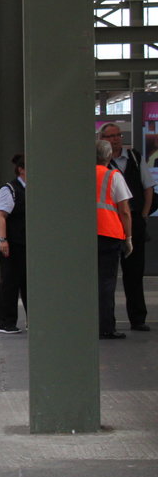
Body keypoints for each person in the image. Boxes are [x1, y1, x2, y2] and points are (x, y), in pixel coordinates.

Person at [99, 123, 152, 331]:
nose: (115, 139)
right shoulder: (100, 164)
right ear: (102, 138)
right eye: (110, 136)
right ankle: (106, 321)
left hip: (134, 224)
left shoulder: (135, 159)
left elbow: (148, 188)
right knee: (106, 278)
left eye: (118, 135)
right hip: (110, 227)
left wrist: (144, 214)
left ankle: (138, 318)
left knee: (134, 274)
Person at [96, 139, 133, 339]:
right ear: (109, 156)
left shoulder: (81, 175)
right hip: (109, 235)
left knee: (86, 281)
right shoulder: (113, 176)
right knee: (106, 283)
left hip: (85, 235)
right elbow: (125, 211)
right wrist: (128, 238)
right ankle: (106, 326)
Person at [0, 154, 27, 334]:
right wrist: (3, 240)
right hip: (12, 244)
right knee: (10, 282)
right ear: (21, 169)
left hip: (27, 244)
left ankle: (33, 318)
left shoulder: (33, 188)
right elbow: (0, 215)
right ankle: (6, 322)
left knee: (28, 282)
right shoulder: (10, 190)